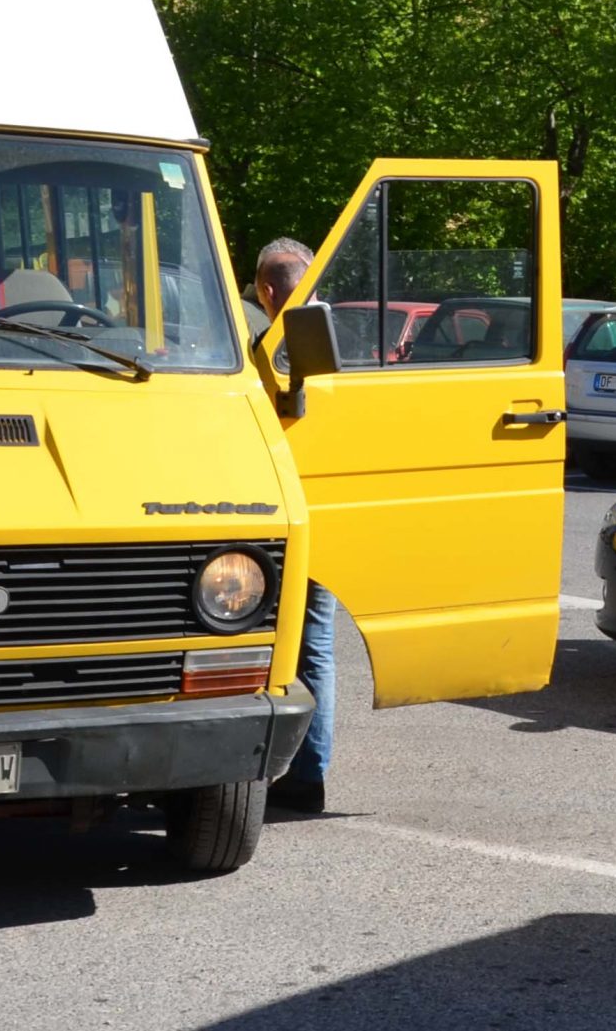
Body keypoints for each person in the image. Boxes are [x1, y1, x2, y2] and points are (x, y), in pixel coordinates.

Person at [250, 237, 336, 814]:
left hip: (284, 511)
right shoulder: (345, 339)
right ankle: (308, 771)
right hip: (330, 505)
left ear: (265, 291)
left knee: (298, 644)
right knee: (314, 645)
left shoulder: (271, 348)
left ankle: (305, 775)